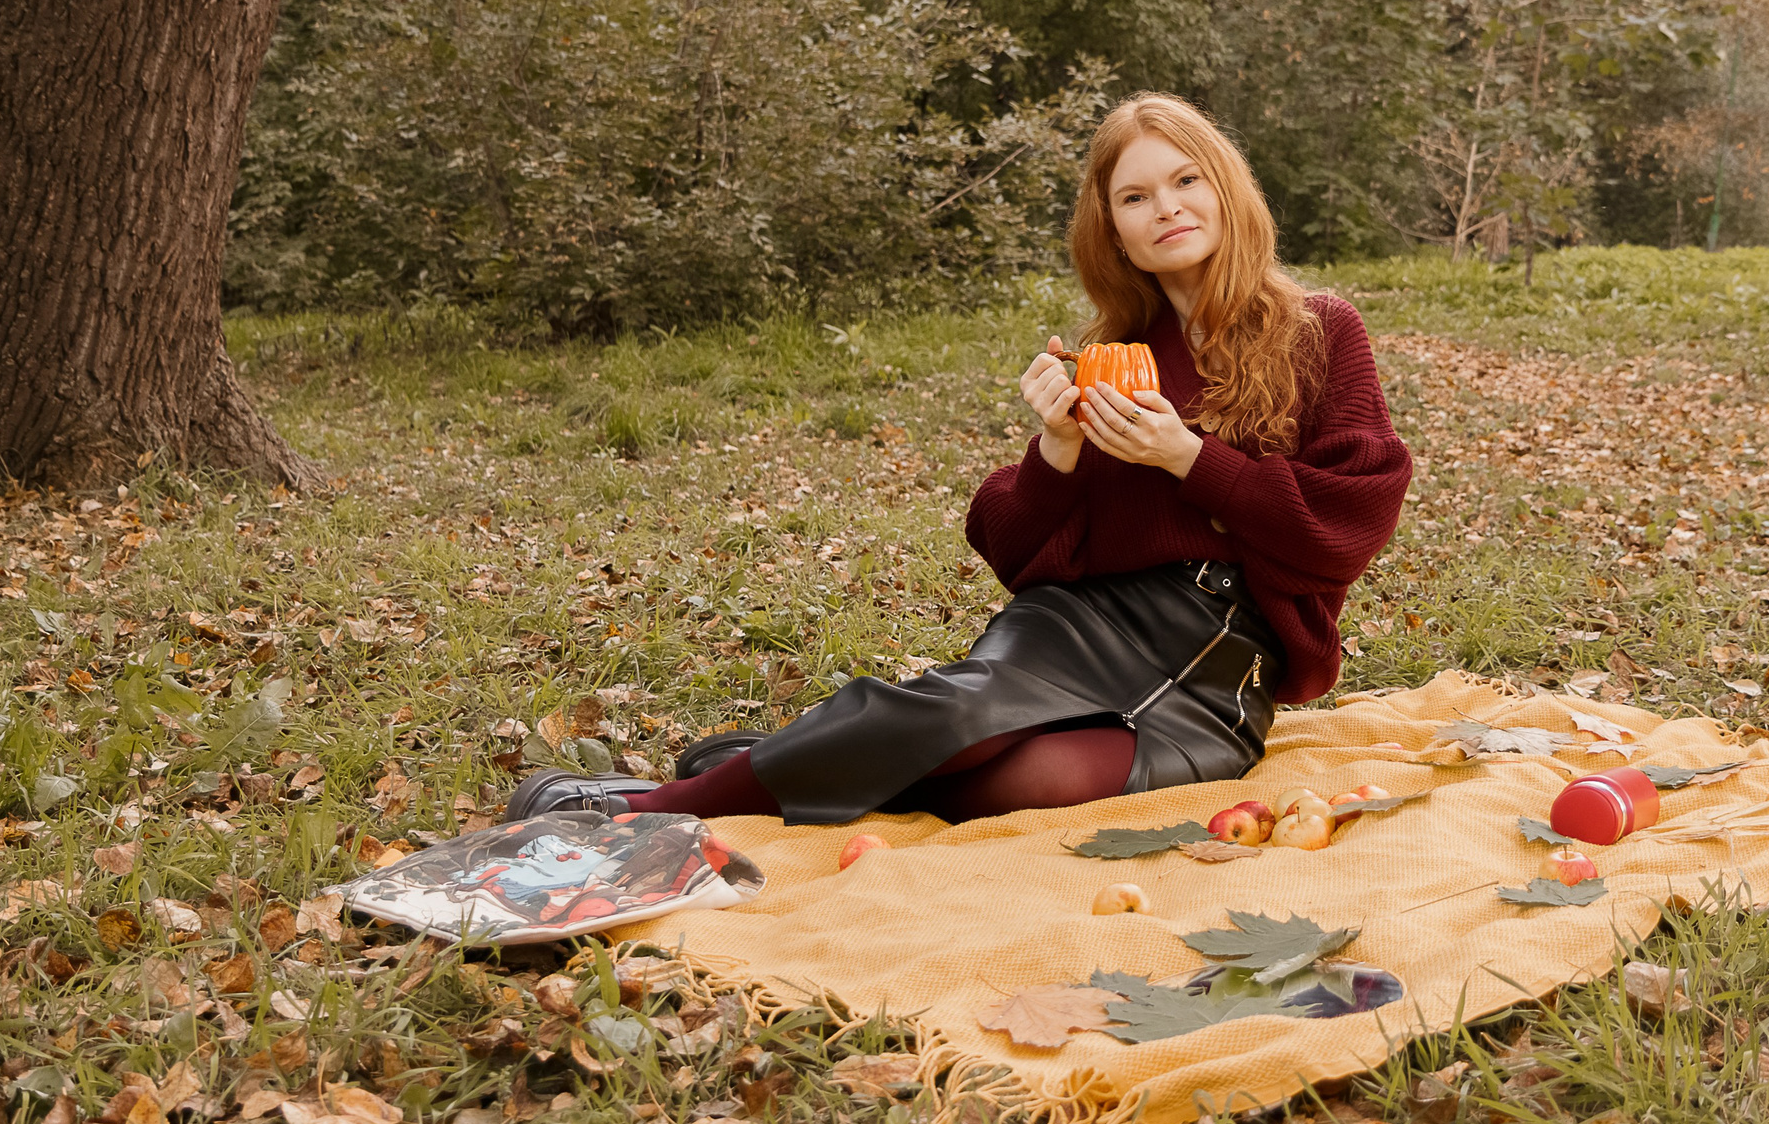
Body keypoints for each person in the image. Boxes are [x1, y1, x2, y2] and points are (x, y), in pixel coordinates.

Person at [509, 93, 1412, 826]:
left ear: (1226, 191)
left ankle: (782, 758)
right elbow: (1016, 550)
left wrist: (1191, 459)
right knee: (965, 716)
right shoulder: (1104, 355)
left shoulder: (1317, 330)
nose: (1165, 208)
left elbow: (1350, 524)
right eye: (1135, 197)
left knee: (1025, 784)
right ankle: (647, 808)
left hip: (1224, 655)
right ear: (1115, 230)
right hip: (1081, 621)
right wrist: (1055, 452)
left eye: (1185, 181)